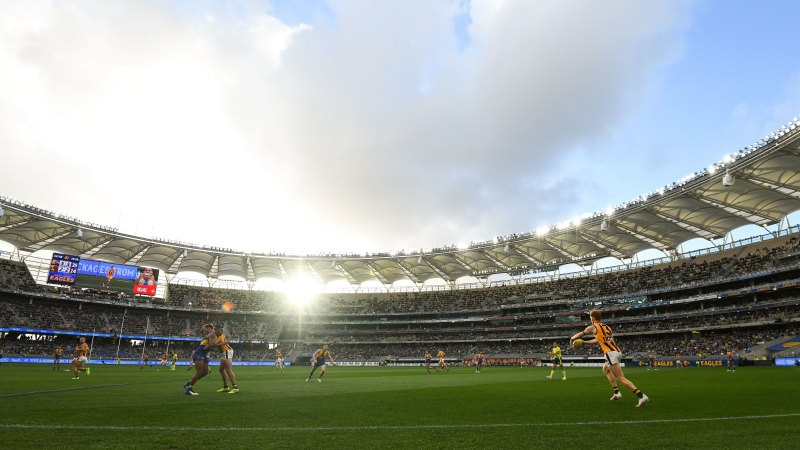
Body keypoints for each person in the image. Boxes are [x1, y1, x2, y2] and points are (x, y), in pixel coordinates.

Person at [570, 310, 648, 407]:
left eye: (590, 317)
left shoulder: (592, 327)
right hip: (617, 352)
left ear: (593, 318)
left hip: (609, 353)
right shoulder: (607, 327)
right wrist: (584, 342)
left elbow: (580, 334)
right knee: (606, 369)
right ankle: (616, 393)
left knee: (621, 378)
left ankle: (641, 396)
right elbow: (597, 340)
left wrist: (572, 339)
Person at [184, 324, 217, 395]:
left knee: (205, 372)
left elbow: (209, 346)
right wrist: (219, 345)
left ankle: (188, 384)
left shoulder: (212, 334)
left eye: (204, 329)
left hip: (203, 354)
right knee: (199, 372)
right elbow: (210, 346)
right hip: (199, 354)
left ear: (209, 328)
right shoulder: (212, 335)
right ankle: (189, 389)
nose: (204, 331)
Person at [215, 326, 239, 394]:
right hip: (225, 352)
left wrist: (221, 343)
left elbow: (215, 344)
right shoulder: (219, 335)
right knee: (221, 370)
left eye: (222, 330)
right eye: (221, 330)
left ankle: (235, 387)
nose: (222, 332)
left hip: (227, 351)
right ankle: (226, 387)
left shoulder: (219, 336)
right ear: (216, 330)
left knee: (228, 369)